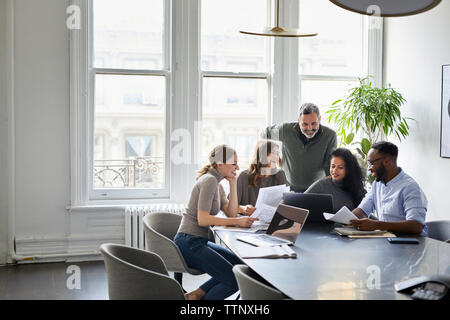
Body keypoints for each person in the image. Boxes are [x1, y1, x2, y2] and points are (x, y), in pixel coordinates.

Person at [174, 145, 258, 300]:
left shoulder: (217, 183)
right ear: (220, 163)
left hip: (198, 241)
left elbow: (231, 212)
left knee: (242, 266)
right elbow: (203, 219)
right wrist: (238, 221)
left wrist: (233, 184)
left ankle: (196, 294)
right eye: (234, 163)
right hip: (189, 242)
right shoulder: (209, 181)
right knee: (234, 279)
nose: (238, 167)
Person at [351, 141, 428, 236]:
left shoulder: (410, 187)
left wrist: (377, 225)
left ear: (387, 161)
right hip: (388, 240)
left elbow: (416, 225)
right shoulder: (377, 184)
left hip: (411, 244)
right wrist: (345, 219)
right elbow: (362, 210)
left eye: (371, 163)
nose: (369, 168)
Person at [261, 103, 337, 192]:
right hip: (289, 189)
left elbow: (330, 167)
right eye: (304, 124)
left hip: (316, 190)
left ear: (319, 120)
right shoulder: (285, 131)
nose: (309, 128)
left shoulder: (329, 135)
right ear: (298, 121)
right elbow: (265, 133)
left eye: (314, 123)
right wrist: (273, 155)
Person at [305, 148, 367, 213]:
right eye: (333, 166)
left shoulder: (357, 187)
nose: (334, 171)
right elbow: (300, 203)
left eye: (340, 167)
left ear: (349, 169)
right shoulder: (321, 185)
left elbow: (365, 214)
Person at [236, 140, 287, 216]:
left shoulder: (280, 174)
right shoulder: (243, 176)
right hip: (248, 221)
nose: (276, 157)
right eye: (272, 153)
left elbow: (283, 204)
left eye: (277, 153)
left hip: (270, 220)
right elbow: (230, 206)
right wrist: (243, 209)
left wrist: (288, 198)